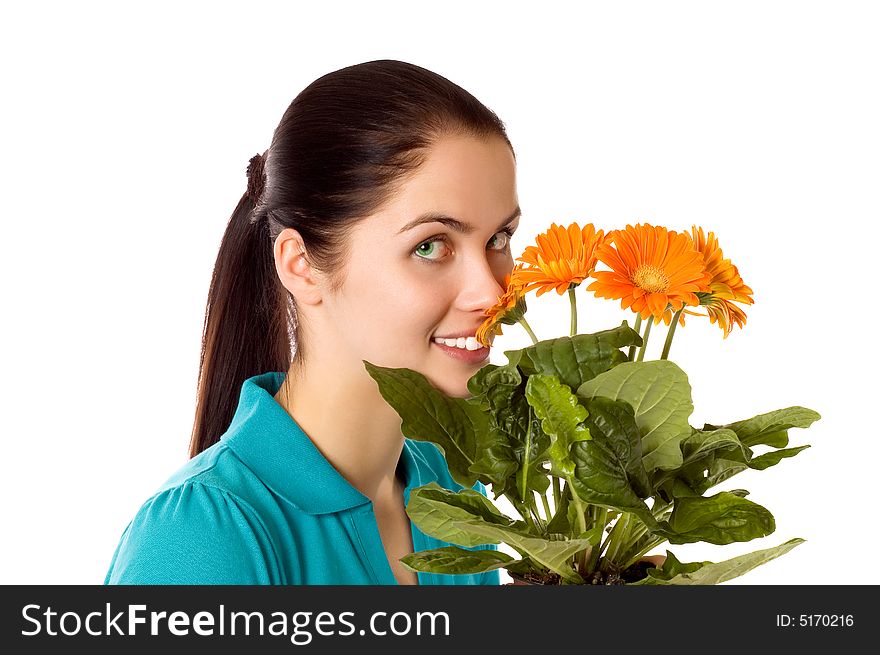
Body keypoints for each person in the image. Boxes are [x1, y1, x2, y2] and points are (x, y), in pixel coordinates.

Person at [104, 60, 520, 585]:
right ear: (301, 266)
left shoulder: (455, 492)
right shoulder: (200, 537)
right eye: (431, 245)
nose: (491, 291)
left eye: (498, 239)